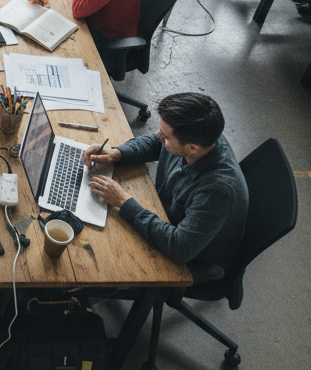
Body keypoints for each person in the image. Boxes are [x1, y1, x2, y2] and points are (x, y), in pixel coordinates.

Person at [84, 93, 248, 282]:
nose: (158, 135)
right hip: (166, 216)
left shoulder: (216, 191)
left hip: (191, 259)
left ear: (192, 148)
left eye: (166, 135)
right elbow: (157, 143)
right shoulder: (200, 136)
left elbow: (180, 247)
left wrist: (124, 201)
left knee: (100, 257)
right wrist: (118, 153)